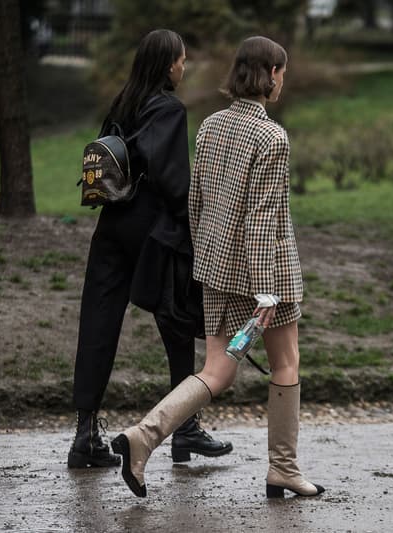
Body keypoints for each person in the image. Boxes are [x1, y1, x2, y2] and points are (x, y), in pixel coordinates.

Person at [112, 36, 325, 499]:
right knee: (286, 362)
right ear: (269, 74)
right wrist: (267, 290)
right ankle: (283, 469)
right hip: (266, 276)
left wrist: (211, 261)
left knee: (217, 371)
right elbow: (262, 217)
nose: (282, 80)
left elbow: (197, 201)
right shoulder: (273, 137)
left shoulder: (209, 126)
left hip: (216, 270)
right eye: (281, 72)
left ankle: (142, 438)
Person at [68, 29, 233, 469]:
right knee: (177, 321)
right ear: (167, 65)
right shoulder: (169, 109)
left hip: (110, 226)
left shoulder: (123, 104)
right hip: (154, 232)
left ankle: (84, 436)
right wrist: (195, 225)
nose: (184, 67)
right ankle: (186, 429)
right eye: (181, 60)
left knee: (98, 322)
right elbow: (173, 181)